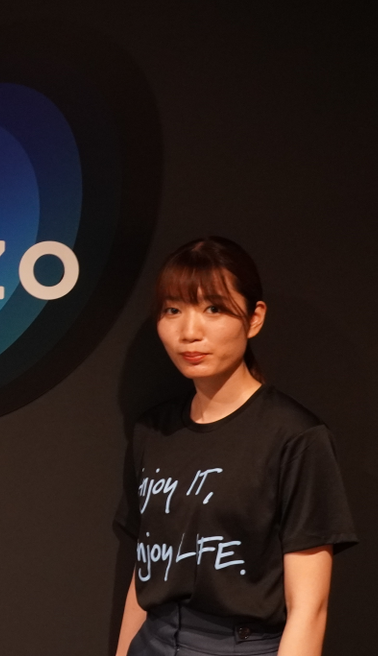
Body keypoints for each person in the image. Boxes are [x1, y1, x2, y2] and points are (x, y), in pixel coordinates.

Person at [113, 238, 358, 656]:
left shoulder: (295, 437)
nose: (190, 332)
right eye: (173, 310)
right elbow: (148, 567)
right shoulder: (152, 431)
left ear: (254, 318)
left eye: (214, 309)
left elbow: (309, 609)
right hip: (153, 641)